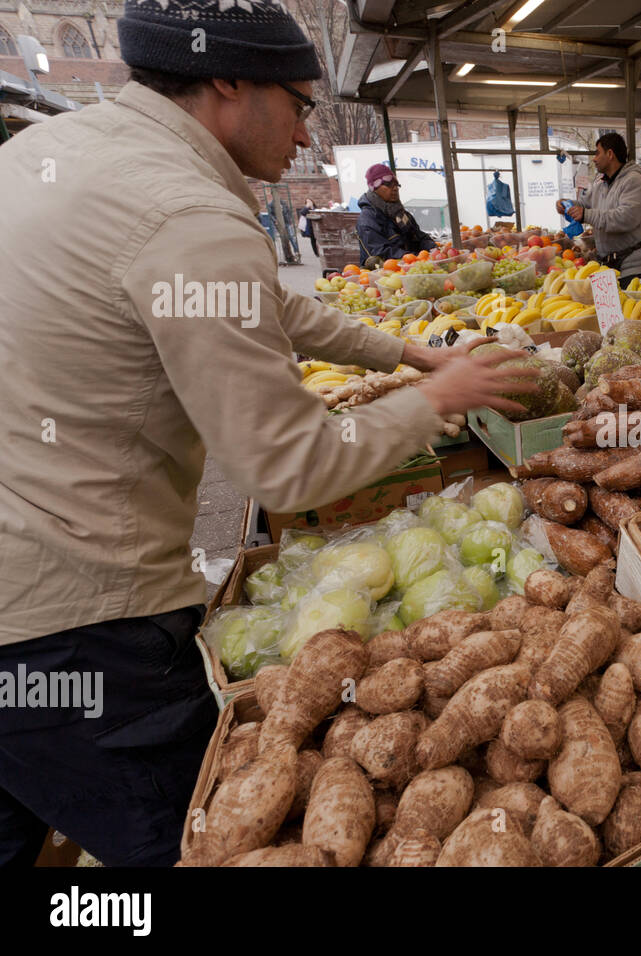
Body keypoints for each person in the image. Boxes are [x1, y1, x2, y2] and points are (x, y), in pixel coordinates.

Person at [0, 0, 536, 868]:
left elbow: (263, 300)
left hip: (22, 600)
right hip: (70, 625)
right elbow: (288, 468)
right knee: (188, 845)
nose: (305, 134)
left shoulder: (57, 152)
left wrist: (409, 352)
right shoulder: (185, 214)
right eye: (298, 102)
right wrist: (439, 400)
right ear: (227, 81)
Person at [555, 132, 641, 289]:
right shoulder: (601, 185)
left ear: (610, 154)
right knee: (608, 313)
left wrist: (586, 215)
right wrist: (566, 205)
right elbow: (584, 204)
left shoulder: (633, 183)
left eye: (597, 153)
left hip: (633, 268)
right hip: (608, 264)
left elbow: (625, 218)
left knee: (631, 313)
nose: (594, 158)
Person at [356, 164, 440, 263]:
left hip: (410, 267)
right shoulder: (368, 219)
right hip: (384, 274)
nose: (395, 188)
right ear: (374, 188)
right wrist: (415, 257)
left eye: (396, 185)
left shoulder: (401, 214)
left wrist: (434, 249)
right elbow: (380, 253)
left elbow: (419, 237)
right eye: (388, 185)